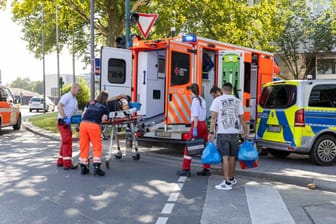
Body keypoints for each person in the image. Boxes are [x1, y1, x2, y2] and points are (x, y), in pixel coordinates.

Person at [208, 82, 248, 190]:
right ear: (231, 90)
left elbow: (213, 118)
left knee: (224, 157)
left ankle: (226, 183)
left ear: (222, 90)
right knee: (232, 157)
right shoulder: (238, 101)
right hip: (235, 133)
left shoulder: (217, 100)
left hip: (223, 133)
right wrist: (246, 132)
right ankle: (231, 178)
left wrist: (211, 132)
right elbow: (242, 118)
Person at [176, 83, 211, 177]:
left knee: (189, 146)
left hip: (197, 125)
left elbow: (195, 116)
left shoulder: (195, 101)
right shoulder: (202, 100)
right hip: (203, 124)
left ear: (191, 91)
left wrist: (194, 129)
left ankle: (186, 169)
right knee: (204, 147)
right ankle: (206, 169)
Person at [79, 91, 110, 176]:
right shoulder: (105, 106)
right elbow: (104, 119)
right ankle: (96, 168)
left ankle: (83, 167)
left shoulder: (91, 102)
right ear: (105, 99)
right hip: (94, 125)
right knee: (96, 146)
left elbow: (83, 114)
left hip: (83, 124)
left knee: (84, 146)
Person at [56, 83, 81, 170]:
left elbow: (76, 113)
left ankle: (60, 161)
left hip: (67, 123)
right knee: (67, 142)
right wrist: (65, 117)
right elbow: (59, 106)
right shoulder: (67, 96)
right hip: (63, 122)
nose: (79, 92)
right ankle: (67, 164)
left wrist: (78, 124)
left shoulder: (75, 100)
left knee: (65, 142)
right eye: (78, 90)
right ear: (73, 88)